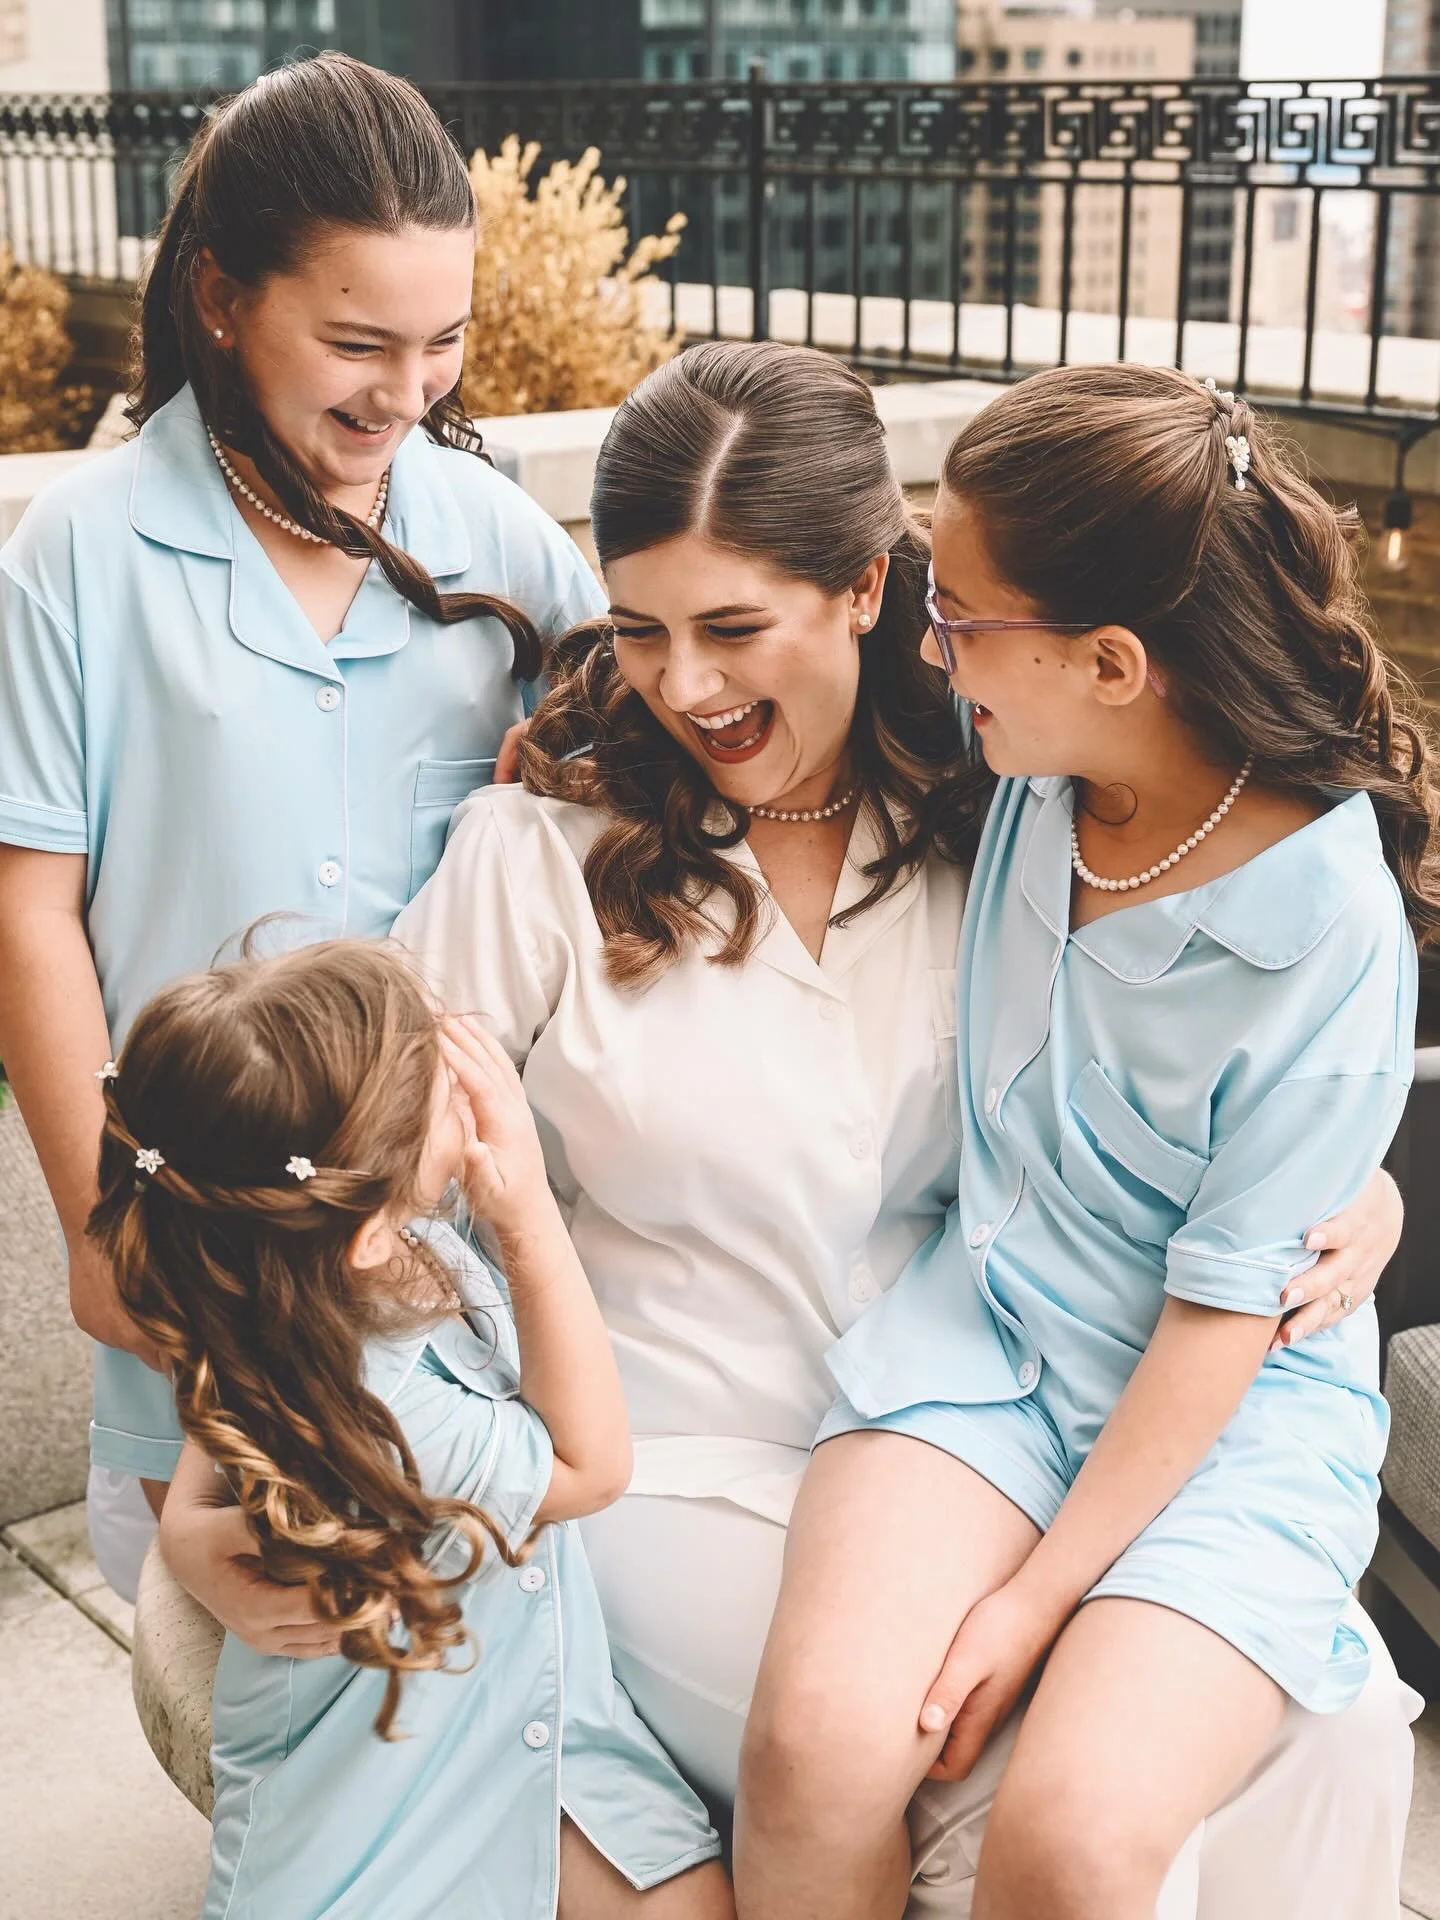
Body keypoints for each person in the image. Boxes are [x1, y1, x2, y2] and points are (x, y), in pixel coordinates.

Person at [162, 343, 1416, 1916]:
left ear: (876, 595)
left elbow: (1194, 1073)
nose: (682, 686)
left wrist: (1347, 1184)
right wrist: (209, 1515)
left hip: (994, 1428)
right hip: (678, 1468)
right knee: (945, 1771)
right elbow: (325, 1185)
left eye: (734, 627)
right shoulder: (537, 856)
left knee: (1335, 1730)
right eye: (639, 632)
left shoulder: (1002, 801)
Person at [736, 363, 1439, 1920]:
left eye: (960, 615)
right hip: (986, 1336)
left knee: (1071, 1841)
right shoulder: (1023, 736)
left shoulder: (1328, 918)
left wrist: (1035, 1601)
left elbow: (1221, 1313)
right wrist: (568, 750)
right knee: (814, 1747)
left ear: (1114, 663)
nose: (931, 641)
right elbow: (758, 653)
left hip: (1235, 1413)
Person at [0, 51, 602, 1599]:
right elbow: (30, 912)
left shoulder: (506, 548)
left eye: (445, 345)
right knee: (234, 1679)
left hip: (449, 1290)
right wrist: (92, 1226)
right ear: (220, 297)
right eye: (356, 345)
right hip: (190, 1260)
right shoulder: (78, 552)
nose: (407, 397)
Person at [91, 939, 730, 1920]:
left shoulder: (306, 1284)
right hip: (379, 1836)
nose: (465, 1061)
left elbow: (218, 1439)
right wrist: (525, 1221)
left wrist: (187, 1527)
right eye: (434, 1073)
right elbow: (591, 1467)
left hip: (526, 1721)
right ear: (367, 1228)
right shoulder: (388, 1413)